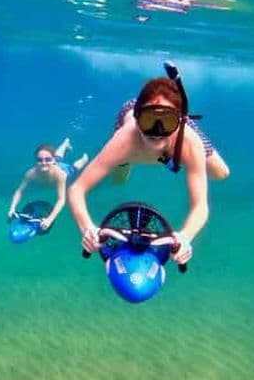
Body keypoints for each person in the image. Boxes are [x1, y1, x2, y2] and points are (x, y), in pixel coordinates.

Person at [67, 66, 229, 265]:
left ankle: (173, 136)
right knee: (119, 177)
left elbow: (201, 207)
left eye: (166, 122)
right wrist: (87, 229)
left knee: (221, 173)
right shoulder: (124, 140)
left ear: (179, 121)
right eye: (149, 121)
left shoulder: (189, 141)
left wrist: (186, 237)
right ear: (137, 118)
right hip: (132, 118)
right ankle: (125, 161)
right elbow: (76, 189)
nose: (157, 131)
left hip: (178, 135)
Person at [8, 138, 89, 231]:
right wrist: (12, 208)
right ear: (36, 160)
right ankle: (65, 144)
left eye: (47, 159)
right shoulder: (31, 174)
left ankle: (84, 159)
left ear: (52, 160)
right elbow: (19, 191)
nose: (43, 163)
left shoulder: (60, 175)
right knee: (58, 159)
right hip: (54, 164)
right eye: (39, 160)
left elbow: (61, 199)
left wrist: (50, 219)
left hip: (63, 170)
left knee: (73, 169)